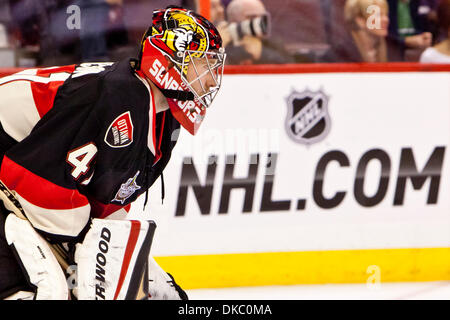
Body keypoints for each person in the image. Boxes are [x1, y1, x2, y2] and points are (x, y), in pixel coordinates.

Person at [0, 6, 226, 300]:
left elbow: (103, 203)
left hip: (19, 178)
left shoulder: (162, 120)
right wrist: (87, 247)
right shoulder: (118, 95)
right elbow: (31, 180)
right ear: (170, 60)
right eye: (202, 64)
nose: (210, 80)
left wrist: (138, 266)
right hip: (13, 171)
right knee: (48, 291)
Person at [222, 0, 295, 65]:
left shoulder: (271, 44)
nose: (260, 22)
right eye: (252, 17)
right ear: (233, 20)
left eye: (262, 18)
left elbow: (292, 68)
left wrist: (261, 53)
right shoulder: (224, 44)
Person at [323, 0, 390, 63]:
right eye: (378, 15)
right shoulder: (337, 55)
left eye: (386, 14)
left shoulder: (397, 50)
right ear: (360, 20)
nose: (386, 19)